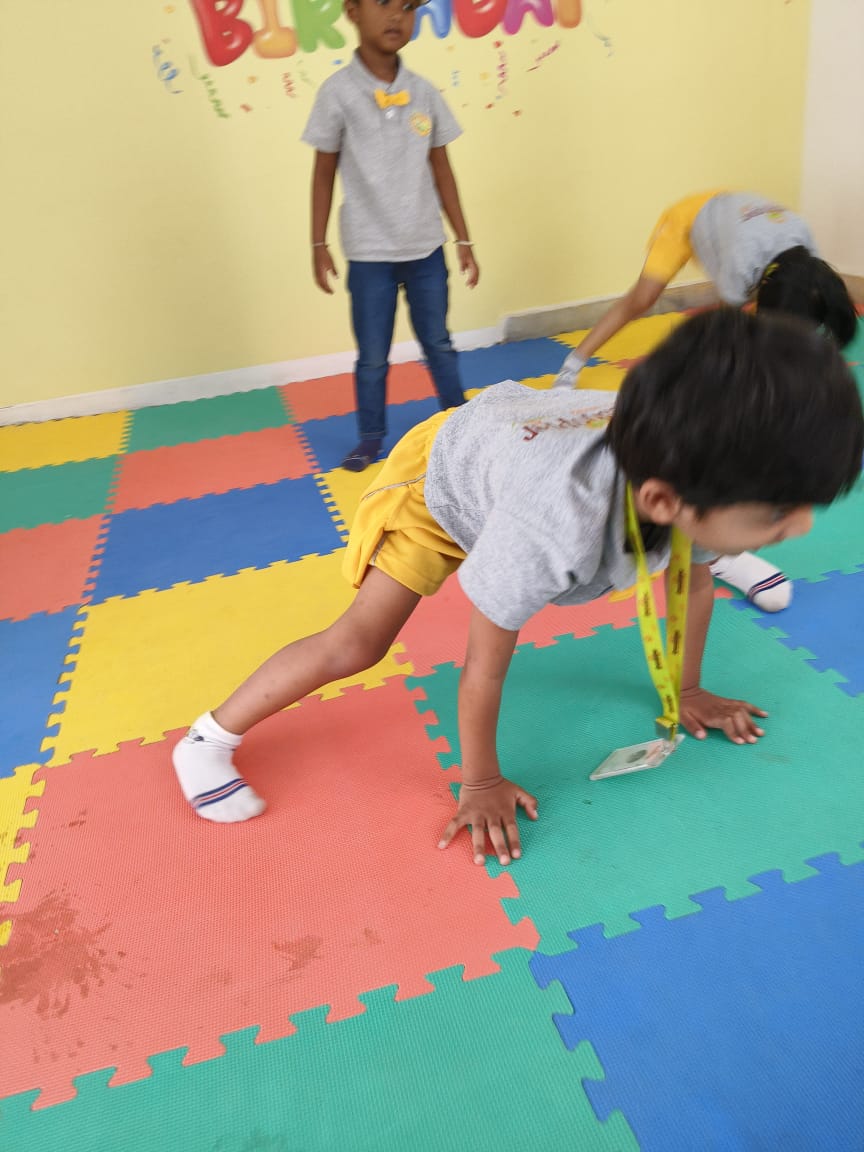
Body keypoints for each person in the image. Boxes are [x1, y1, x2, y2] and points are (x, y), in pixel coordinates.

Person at [172, 309, 863, 866]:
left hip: (531, 440)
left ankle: (730, 546)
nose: (802, 527)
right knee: (358, 643)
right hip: (445, 481)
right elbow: (483, 665)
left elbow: (691, 584)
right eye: (778, 514)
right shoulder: (550, 529)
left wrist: (687, 690)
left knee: (698, 553)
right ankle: (206, 740)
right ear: (663, 501)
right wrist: (479, 781)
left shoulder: (688, 466)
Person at [554, 190, 859, 614]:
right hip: (693, 218)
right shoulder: (738, 270)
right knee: (643, 299)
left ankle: (714, 553)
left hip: (744, 225)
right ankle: (572, 362)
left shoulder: (808, 257)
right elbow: (721, 340)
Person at [302, 0, 478, 473]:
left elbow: (442, 170)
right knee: (373, 357)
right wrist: (318, 244)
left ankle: (459, 421)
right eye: (383, 4)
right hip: (369, 254)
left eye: (407, 7)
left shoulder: (423, 92)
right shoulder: (337, 93)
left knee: (438, 342)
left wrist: (463, 240)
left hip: (426, 248)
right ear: (353, 11)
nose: (396, 16)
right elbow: (323, 174)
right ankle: (371, 436)